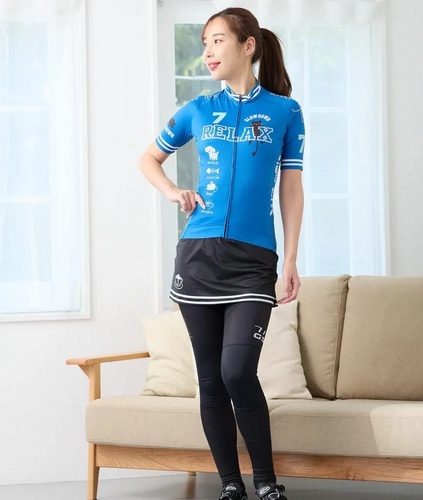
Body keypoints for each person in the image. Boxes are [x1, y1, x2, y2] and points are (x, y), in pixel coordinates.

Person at [139, 7, 304, 500]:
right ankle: (231, 484)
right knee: (211, 379)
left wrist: (291, 259)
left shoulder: (285, 111)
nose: (208, 52)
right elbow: (148, 158)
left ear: (247, 45)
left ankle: (266, 481)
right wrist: (173, 192)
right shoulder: (198, 109)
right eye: (205, 43)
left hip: (254, 262)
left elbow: (291, 188)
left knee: (237, 371)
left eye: (217, 41)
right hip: (199, 256)